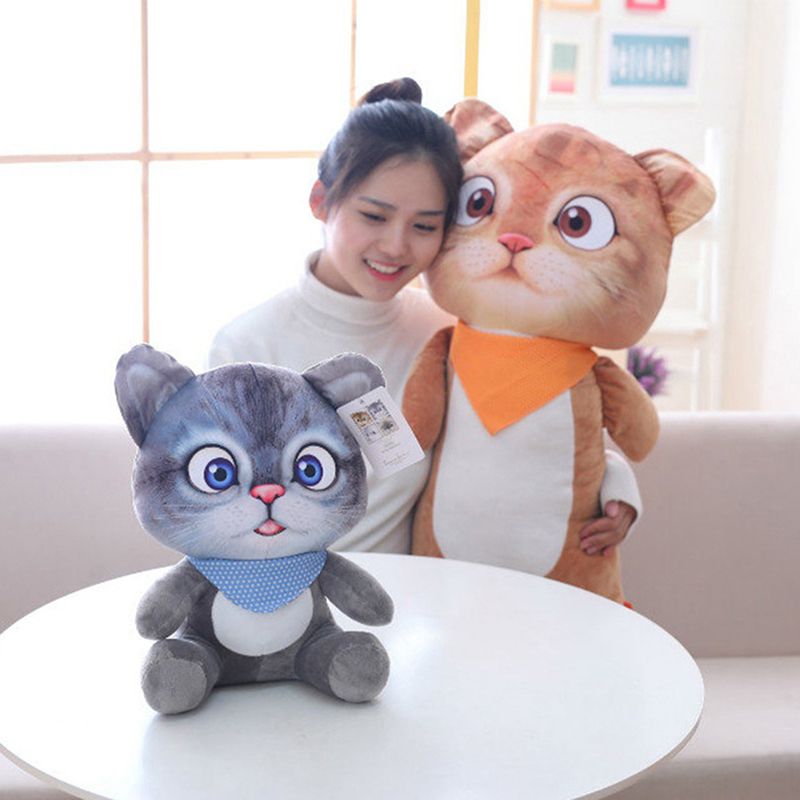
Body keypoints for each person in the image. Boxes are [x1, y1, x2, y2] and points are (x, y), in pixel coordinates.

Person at [208, 77, 638, 558]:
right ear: (320, 201)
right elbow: (213, 516)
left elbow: (533, 426)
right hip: (276, 596)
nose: (396, 246)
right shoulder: (247, 348)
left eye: (424, 226)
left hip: (415, 596)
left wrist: (614, 485)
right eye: (374, 217)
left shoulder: (442, 332)